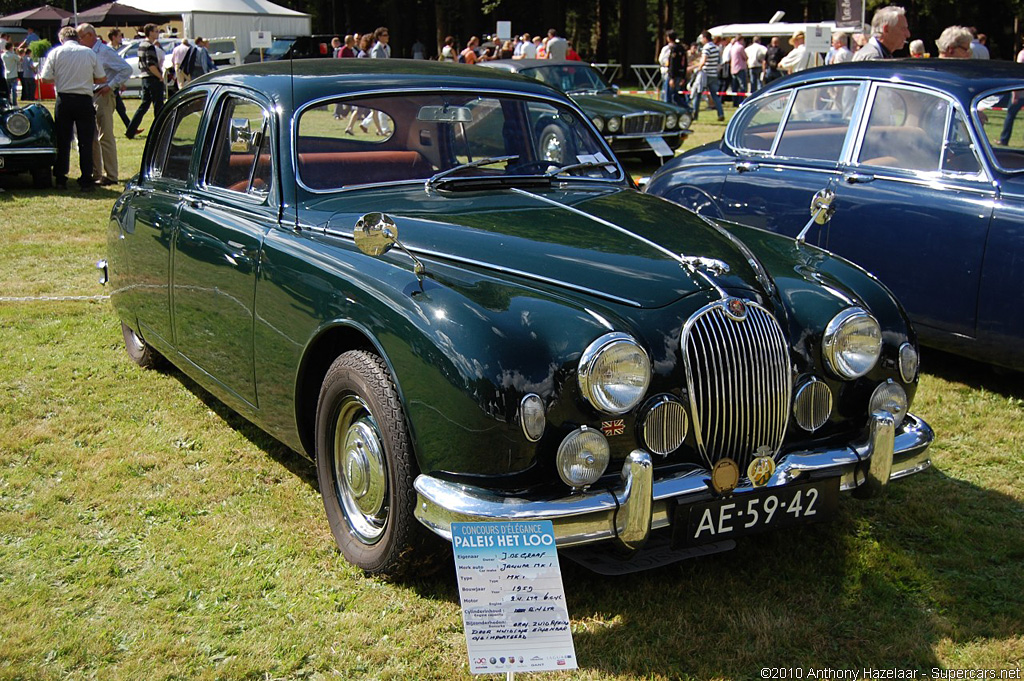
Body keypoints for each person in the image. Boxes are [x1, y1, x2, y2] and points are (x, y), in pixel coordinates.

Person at [39, 26, 106, 191]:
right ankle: (86, 179)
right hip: (84, 99)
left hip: (64, 99)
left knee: (63, 140)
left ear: (62, 39)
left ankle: (61, 178)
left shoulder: (56, 53)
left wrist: (61, 77)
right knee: (86, 141)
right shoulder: (89, 53)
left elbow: (45, 78)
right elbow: (101, 77)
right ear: (78, 38)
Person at [77, 23, 131, 187]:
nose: (78, 41)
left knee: (105, 135)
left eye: (80, 37)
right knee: (92, 136)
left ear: (89, 35)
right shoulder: (88, 52)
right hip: (91, 95)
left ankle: (111, 175)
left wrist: (111, 85)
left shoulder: (105, 51)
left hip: (103, 95)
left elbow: (126, 69)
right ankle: (97, 172)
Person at [125, 24, 165, 140]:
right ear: (150, 33)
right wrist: (160, 76)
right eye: (156, 31)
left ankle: (130, 130)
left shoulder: (141, 45)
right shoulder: (149, 46)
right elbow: (151, 64)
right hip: (152, 78)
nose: (157, 33)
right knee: (158, 106)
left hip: (144, 78)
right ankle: (159, 132)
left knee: (144, 105)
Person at [693, 30, 723, 122]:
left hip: (705, 74)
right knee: (715, 95)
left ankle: (695, 115)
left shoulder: (706, 48)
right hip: (713, 73)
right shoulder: (716, 47)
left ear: (705, 38)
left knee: (697, 94)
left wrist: (698, 68)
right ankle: (720, 113)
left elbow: (704, 60)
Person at [106, 29, 133, 133]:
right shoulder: (109, 51)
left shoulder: (114, 49)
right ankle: (130, 128)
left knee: (120, 108)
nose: (121, 38)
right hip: (110, 84)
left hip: (114, 84)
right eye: (119, 36)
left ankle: (130, 128)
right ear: (113, 37)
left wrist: (120, 83)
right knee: (114, 109)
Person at [661, 30, 688, 110]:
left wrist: (671, 77)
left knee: (668, 95)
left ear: (668, 38)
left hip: (672, 75)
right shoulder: (682, 48)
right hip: (679, 74)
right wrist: (683, 76)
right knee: (674, 94)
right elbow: (684, 63)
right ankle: (686, 108)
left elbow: (672, 64)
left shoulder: (673, 49)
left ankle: (668, 110)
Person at [728, 35, 748, 103]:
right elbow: (745, 57)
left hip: (733, 68)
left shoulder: (732, 47)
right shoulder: (740, 47)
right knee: (742, 86)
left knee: (735, 87)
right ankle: (741, 101)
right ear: (741, 40)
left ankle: (735, 101)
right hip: (740, 68)